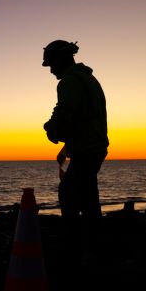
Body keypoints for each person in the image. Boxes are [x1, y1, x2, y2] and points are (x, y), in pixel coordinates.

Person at [42, 39, 108, 260]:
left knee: (68, 194)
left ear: (61, 59)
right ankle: (94, 245)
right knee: (88, 196)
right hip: (95, 147)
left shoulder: (69, 81)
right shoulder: (87, 78)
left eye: (51, 64)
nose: (51, 70)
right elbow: (71, 112)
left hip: (86, 149)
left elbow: (66, 112)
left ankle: (75, 249)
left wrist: (52, 128)